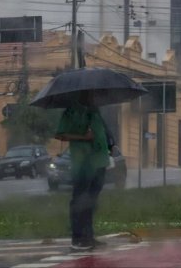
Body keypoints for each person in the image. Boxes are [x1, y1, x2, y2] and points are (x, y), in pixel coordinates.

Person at [55, 100, 110, 251]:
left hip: (99, 160)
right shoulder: (72, 111)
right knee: (80, 199)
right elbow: (60, 135)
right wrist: (83, 138)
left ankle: (89, 236)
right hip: (83, 163)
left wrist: (110, 147)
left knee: (91, 200)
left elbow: (101, 132)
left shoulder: (94, 110)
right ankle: (78, 237)